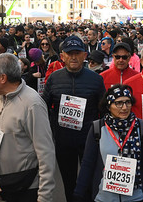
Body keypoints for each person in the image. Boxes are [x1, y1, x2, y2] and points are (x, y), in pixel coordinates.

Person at [42, 35, 106, 202]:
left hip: (89, 140)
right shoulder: (54, 78)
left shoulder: (97, 80)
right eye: (69, 53)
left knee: (90, 182)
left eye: (77, 53)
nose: (73, 57)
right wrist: (51, 130)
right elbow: (43, 106)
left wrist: (100, 135)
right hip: (63, 140)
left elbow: (104, 111)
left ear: (85, 56)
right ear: (62, 56)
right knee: (69, 183)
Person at [0, 53, 56, 202]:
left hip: (27, 187)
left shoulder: (32, 104)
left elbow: (46, 152)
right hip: (3, 183)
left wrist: (44, 197)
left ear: (3, 78)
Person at [73, 84, 143, 202]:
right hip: (105, 197)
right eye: (118, 103)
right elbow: (88, 163)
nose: (124, 107)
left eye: (127, 102)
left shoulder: (141, 127)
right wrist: (79, 193)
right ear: (108, 106)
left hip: (136, 197)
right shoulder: (98, 128)